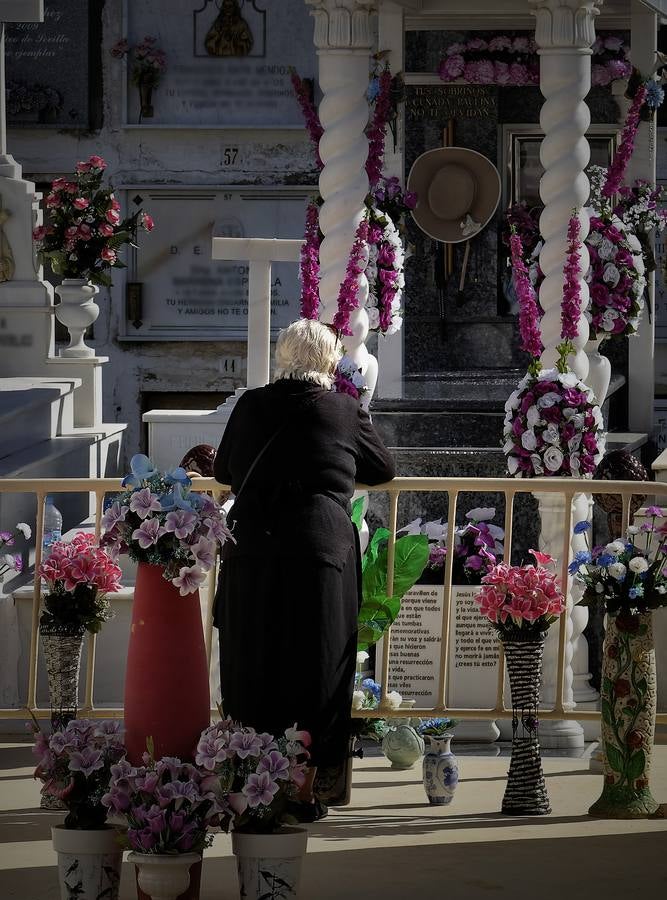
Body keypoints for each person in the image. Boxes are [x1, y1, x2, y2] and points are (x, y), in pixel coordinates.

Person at [213, 318, 395, 819]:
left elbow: (223, 470)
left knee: (254, 657)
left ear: (282, 357)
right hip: (320, 549)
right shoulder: (344, 409)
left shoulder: (251, 404)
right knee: (318, 662)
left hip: (255, 547)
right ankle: (307, 787)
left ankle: (251, 783)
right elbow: (383, 469)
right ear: (330, 360)